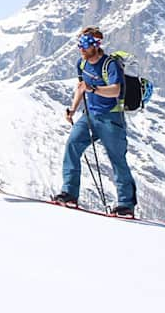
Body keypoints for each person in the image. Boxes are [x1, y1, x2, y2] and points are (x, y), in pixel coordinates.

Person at [52, 27, 137, 216]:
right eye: (79, 44)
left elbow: (115, 90)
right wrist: (73, 109)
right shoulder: (82, 64)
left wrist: (94, 90)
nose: (81, 48)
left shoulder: (109, 65)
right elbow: (81, 87)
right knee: (72, 146)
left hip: (110, 119)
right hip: (89, 116)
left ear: (96, 45)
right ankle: (69, 193)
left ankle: (126, 205)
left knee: (117, 160)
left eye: (85, 44)